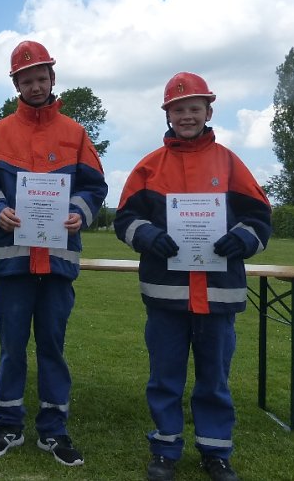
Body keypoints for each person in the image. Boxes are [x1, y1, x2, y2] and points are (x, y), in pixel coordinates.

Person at [114, 72, 272, 481]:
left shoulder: (230, 162)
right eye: (178, 109)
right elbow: (126, 218)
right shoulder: (149, 167)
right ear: (167, 114)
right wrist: (146, 235)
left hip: (218, 296)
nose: (186, 115)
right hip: (166, 297)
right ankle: (165, 449)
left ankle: (216, 452)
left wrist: (242, 239)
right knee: (164, 377)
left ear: (208, 111)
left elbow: (259, 217)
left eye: (194, 108)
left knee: (214, 380)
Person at [0, 41, 108, 467]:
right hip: (12, 261)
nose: (35, 85)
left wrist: (78, 213)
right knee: (12, 347)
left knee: (52, 347)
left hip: (59, 259)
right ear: (15, 84)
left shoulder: (75, 133)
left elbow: (94, 187)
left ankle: (54, 430)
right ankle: (7, 425)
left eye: (41, 77)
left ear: (52, 78)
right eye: (26, 79)